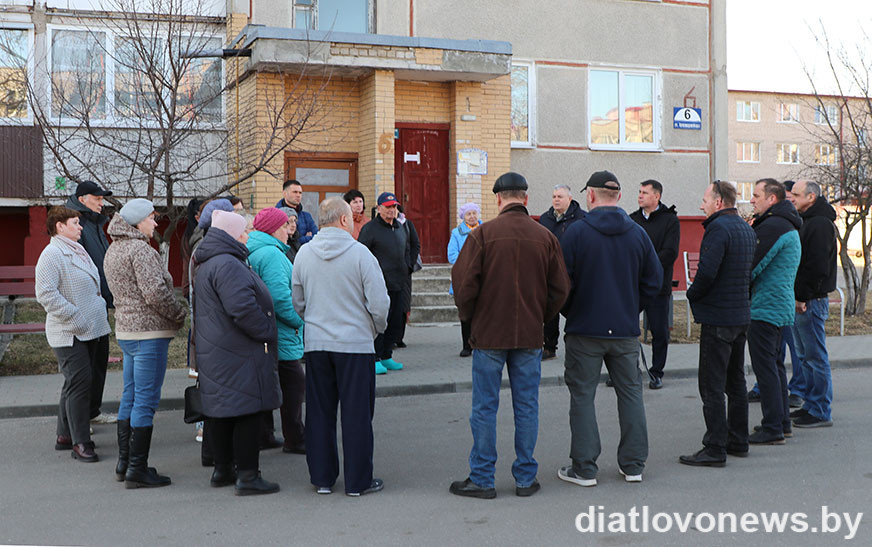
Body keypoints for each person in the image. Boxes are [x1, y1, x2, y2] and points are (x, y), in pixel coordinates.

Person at [449, 172, 570, 499]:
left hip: (488, 335)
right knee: (527, 406)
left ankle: (483, 478)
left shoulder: (482, 235)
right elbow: (560, 289)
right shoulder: (545, 237)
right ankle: (525, 478)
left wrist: (472, 319)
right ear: (526, 199)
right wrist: (540, 317)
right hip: (530, 336)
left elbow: (463, 286)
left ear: (498, 199)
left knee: (485, 407)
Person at [557, 171, 661, 487]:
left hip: (584, 330)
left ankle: (585, 468)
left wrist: (571, 311)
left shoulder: (575, 233)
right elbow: (653, 282)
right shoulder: (638, 234)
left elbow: (561, 284)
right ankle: (633, 465)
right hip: (625, 331)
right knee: (631, 395)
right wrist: (630, 308)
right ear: (617, 196)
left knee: (583, 396)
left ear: (589, 196)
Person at [292, 197, 390, 496]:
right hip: (356, 345)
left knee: (320, 412)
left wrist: (314, 322)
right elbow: (379, 303)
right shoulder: (361, 255)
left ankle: (322, 478)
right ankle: (358, 481)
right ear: (345, 220)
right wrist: (375, 329)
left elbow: (298, 301)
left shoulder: (304, 254)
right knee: (357, 413)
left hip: (318, 344)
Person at [193, 210, 282, 496]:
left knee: (221, 411)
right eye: (243, 231)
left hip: (218, 349)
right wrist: (266, 329)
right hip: (238, 350)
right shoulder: (228, 264)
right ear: (231, 235)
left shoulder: (209, 262)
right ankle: (247, 476)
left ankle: (223, 469)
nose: (247, 235)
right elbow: (242, 308)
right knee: (247, 411)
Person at [103, 199, 187, 488]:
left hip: (127, 331)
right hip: (149, 333)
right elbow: (155, 293)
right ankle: (137, 469)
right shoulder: (140, 250)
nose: (155, 223)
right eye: (152, 218)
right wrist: (178, 315)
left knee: (130, 395)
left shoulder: (114, 249)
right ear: (138, 222)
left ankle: (125, 462)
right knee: (146, 400)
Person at [679, 181, 757, 467]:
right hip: (740, 315)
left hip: (719, 318)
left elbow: (707, 272)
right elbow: (749, 273)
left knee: (711, 385)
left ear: (719, 202)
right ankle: (738, 439)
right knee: (735, 381)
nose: (702, 205)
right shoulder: (746, 229)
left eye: (705, 200)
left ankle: (715, 447)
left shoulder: (719, 228)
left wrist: (691, 293)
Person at [35, 206, 111, 463]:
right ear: (60, 226)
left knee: (73, 383)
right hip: (69, 331)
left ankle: (64, 435)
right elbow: (45, 294)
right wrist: (74, 315)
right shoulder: (52, 253)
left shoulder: (76, 249)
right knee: (80, 383)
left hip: (88, 329)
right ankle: (81, 443)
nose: (80, 227)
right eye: (75, 223)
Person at [247, 207, 307, 454]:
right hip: (282, 333)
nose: (289, 229)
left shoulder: (257, 249)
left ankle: (264, 435)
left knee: (267, 385)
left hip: (266, 333)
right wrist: (299, 320)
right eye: (285, 225)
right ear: (273, 228)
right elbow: (281, 298)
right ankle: (295, 439)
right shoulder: (272, 255)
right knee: (293, 386)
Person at [747, 179, 801, 445]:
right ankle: (782, 423)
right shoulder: (785, 224)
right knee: (775, 366)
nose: (752, 200)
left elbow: (753, 264)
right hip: (778, 305)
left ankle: (772, 427)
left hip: (766, 306)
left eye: (756, 195)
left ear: (772, 199)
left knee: (766, 367)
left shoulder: (774, 226)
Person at [788, 180, 838, 428]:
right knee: (804, 356)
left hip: (811, 300)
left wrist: (802, 296)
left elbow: (816, 267)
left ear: (811, 197)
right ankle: (810, 404)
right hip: (803, 298)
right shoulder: (807, 221)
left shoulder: (819, 224)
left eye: (796, 195)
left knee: (815, 357)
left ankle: (820, 410)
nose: (792, 198)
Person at [65, 180, 115, 425]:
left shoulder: (95, 225)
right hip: (83, 308)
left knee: (99, 362)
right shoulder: (76, 225)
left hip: (100, 306)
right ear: (83, 198)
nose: (101, 202)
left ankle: (92, 412)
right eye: (97, 198)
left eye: (102, 198)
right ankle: (78, 421)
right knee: (82, 371)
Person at [629, 179, 680, 389]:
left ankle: (656, 372)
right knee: (628, 329)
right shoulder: (631, 220)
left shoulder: (669, 221)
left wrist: (646, 267)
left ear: (657, 196)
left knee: (659, 332)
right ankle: (627, 371)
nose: (640, 195)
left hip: (658, 286)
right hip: (633, 286)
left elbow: (669, 253)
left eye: (645, 192)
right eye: (639, 192)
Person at [358, 192, 410, 374]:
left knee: (395, 322)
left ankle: (387, 355)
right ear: (379, 208)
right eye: (388, 207)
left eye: (394, 207)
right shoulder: (370, 229)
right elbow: (361, 253)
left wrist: (407, 267)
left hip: (399, 282)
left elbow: (408, 249)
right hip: (379, 284)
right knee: (380, 321)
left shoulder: (400, 227)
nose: (392, 210)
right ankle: (375, 357)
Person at [538, 184, 585, 360]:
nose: (556, 200)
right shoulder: (545, 219)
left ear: (570, 199)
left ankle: (577, 348)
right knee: (550, 311)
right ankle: (549, 347)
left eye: (560, 197)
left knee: (574, 309)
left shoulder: (581, 218)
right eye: (554, 196)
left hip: (573, 272)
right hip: (550, 272)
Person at [447, 202, 482, 357]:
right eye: (469, 214)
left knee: (481, 313)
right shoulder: (457, 233)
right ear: (463, 217)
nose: (472, 216)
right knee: (465, 313)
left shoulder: (485, 230)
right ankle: (466, 346)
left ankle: (480, 344)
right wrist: (471, 264)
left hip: (482, 278)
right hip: (463, 279)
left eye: (474, 213)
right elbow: (452, 255)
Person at [394, 205, 420, 350]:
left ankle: (399, 337)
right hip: (389, 271)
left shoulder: (407, 224)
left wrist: (409, 264)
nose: (393, 211)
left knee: (403, 304)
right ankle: (389, 337)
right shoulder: (384, 226)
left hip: (405, 271)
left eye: (395, 208)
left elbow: (415, 245)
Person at [276, 179, 318, 243]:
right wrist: (307, 238)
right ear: (284, 193)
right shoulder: (276, 215)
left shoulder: (306, 216)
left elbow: (316, 238)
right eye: (295, 192)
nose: (298, 195)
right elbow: (285, 240)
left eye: (300, 193)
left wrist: (301, 239)